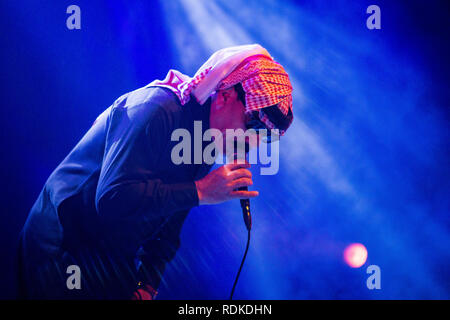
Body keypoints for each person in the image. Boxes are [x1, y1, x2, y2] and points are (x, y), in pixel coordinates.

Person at [18, 44, 293, 299]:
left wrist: (147, 283)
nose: (254, 140)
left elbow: (169, 222)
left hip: (112, 253)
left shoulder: (206, 139)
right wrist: (201, 191)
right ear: (225, 95)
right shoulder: (156, 108)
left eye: (266, 136)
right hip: (64, 244)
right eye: (254, 125)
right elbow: (112, 199)